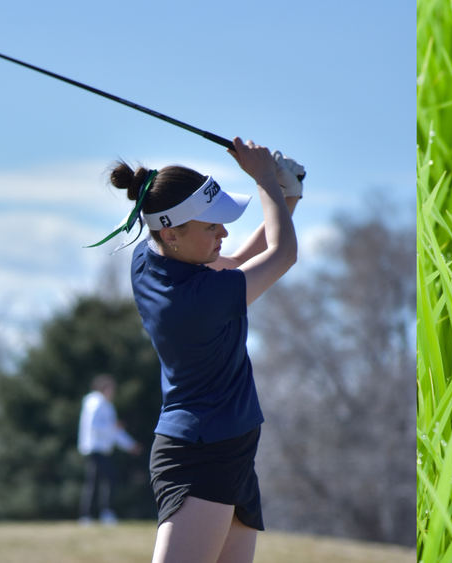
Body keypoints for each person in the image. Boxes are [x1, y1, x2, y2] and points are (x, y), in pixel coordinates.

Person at [96, 137, 302, 563]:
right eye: (212, 226)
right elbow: (282, 254)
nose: (224, 233)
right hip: (201, 454)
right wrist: (266, 180)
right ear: (171, 233)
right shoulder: (199, 298)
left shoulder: (150, 258)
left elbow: (246, 257)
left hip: (229, 448)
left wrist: (287, 194)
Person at [77, 374, 142, 526]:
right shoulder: (94, 402)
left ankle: (88, 516)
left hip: (102, 449)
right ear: (104, 388)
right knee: (110, 478)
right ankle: (102, 513)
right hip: (94, 448)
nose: (113, 392)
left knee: (94, 482)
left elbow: (114, 432)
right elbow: (96, 427)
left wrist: (130, 445)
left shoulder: (107, 406)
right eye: (111, 389)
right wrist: (113, 429)